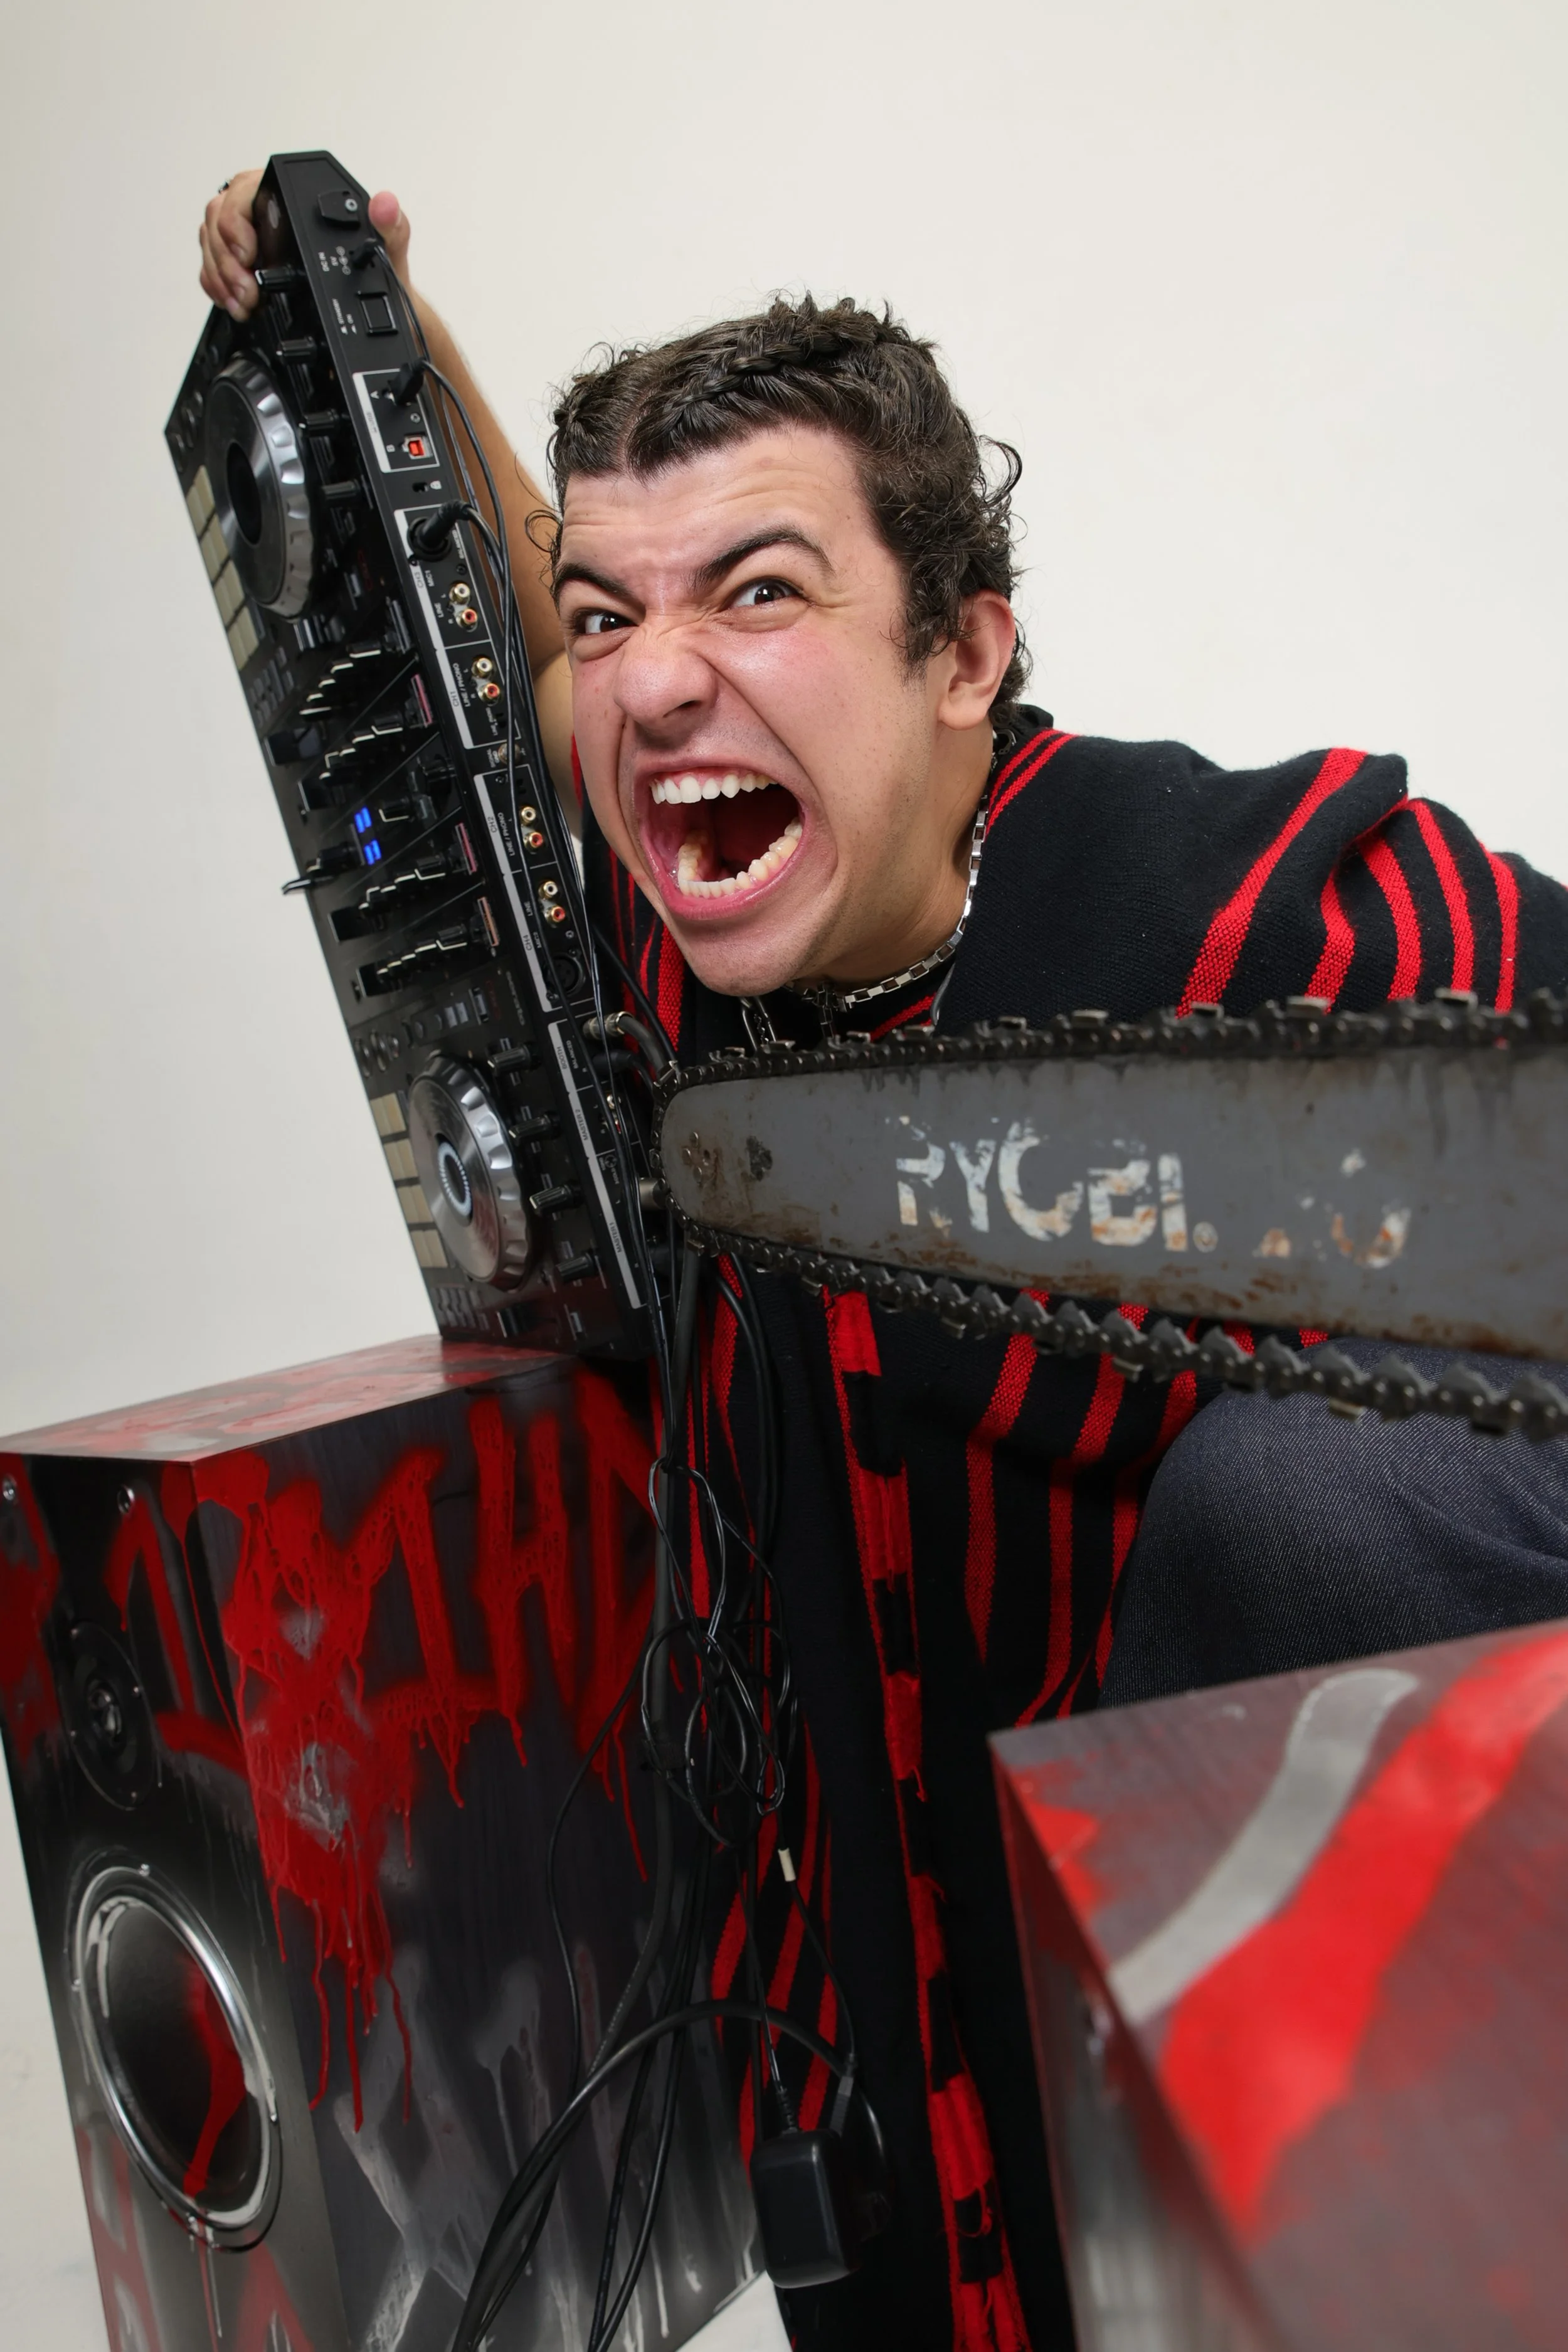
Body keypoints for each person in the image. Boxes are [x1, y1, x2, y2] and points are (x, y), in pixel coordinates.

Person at [198, 177, 1568, 2352]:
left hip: (1270, 2059)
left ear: (961, 652)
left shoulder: (1257, 916)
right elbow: (535, 667)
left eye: (756, 590)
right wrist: (378, 326)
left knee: (1305, 1511)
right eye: (617, 604)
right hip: (891, 2017)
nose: (660, 683)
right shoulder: (690, 882)